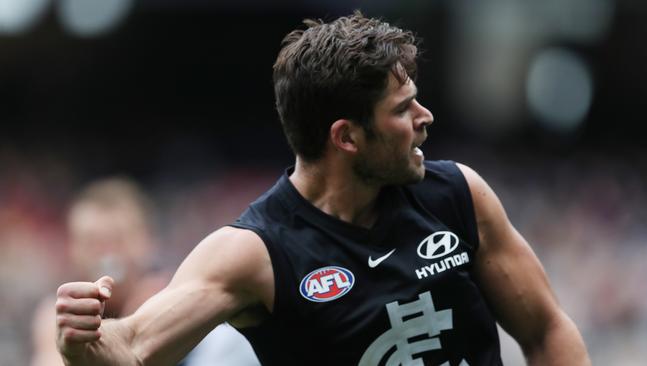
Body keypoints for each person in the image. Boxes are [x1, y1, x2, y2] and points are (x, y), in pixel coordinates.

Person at [54, 12, 590, 365]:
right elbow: (134, 347)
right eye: (403, 110)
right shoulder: (255, 252)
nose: (426, 118)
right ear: (346, 137)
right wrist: (85, 345)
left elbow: (545, 330)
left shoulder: (457, 194)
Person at [33, 177, 258, 366]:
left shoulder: (186, 299)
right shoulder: (57, 316)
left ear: (147, 242)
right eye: (92, 241)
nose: (105, 254)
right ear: (73, 248)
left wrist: (138, 330)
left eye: (117, 239)